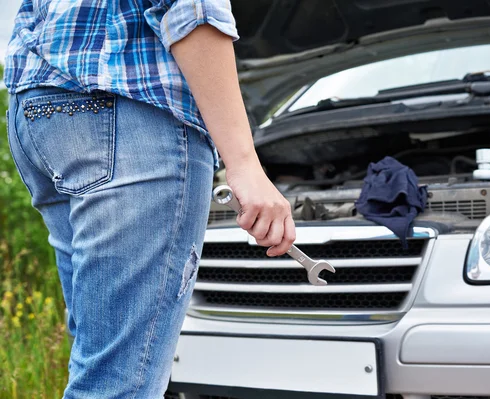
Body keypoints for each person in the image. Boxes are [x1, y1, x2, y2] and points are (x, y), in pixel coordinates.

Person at [4, 1, 295, 397]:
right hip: (130, 112)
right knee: (120, 383)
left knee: (99, 364)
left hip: (41, 111)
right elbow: (192, 9)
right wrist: (244, 163)